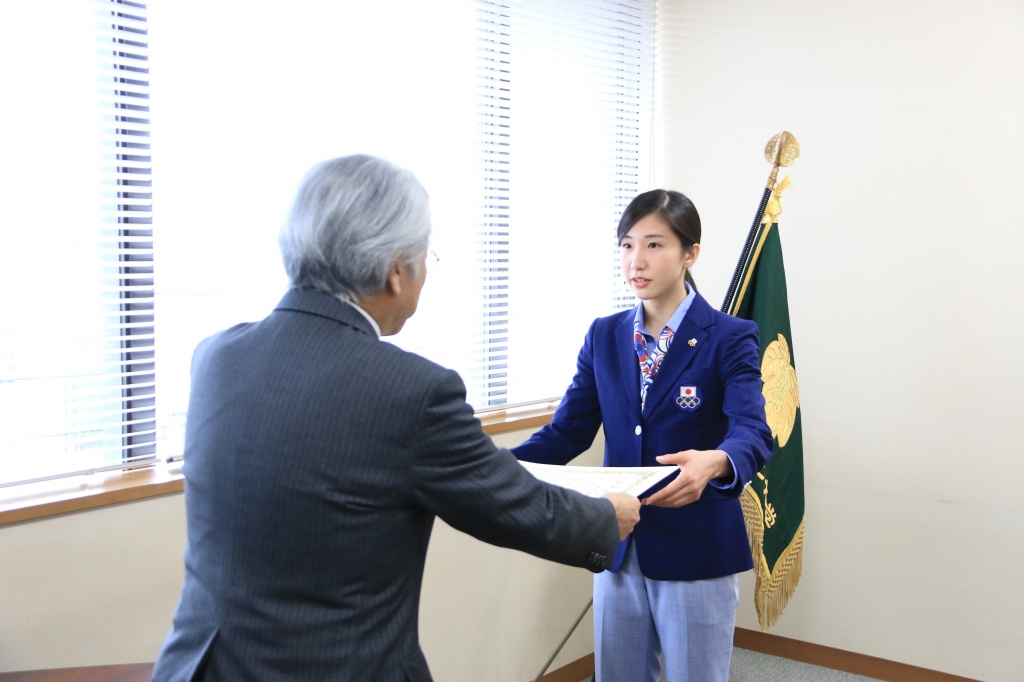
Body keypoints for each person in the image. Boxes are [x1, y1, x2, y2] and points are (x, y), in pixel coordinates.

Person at [151, 155, 641, 682]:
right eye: (425, 256)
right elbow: (517, 509)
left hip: (205, 666)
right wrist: (606, 516)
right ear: (396, 270)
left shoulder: (217, 357)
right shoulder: (412, 390)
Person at [513, 189, 773, 682]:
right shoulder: (604, 335)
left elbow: (753, 430)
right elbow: (567, 433)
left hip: (696, 547)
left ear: (689, 253)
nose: (637, 260)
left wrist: (715, 462)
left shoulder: (729, 335)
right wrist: (487, 464)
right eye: (627, 245)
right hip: (617, 542)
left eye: (654, 245)